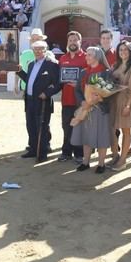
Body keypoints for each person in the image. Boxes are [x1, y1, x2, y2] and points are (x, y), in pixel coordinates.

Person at [15, 40, 61, 162]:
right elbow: (29, 80)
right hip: (29, 100)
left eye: (41, 49)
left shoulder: (52, 65)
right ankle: (33, 149)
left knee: (42, 127)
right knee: (30, 125)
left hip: (43, 101)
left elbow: (58, 84)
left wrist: (47, 93)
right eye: (36, 49)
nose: (38, 51)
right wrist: (19, 71)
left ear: (46, 50)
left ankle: (42, 153)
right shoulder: (30, 64)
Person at [71, 47, 113, 174]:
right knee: (86, 136)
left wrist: (99, 98)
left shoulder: (106, 73)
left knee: (101, 137)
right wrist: (83, 102)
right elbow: (77, 90)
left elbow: (110, 92)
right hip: (85, 109)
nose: (86, 57)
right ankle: (86, 162)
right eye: (87, 54)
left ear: (97, 57)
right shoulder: (84, 72)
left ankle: (101, 164)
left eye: (89, 55)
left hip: (100, 110)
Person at [57, 31, 87, 163]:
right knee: (66, 126)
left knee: (80, 126)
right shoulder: (63, 58)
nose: (73, 42)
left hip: (81, 100)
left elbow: (91, 77)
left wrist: (79, 84)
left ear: (80, 42)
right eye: (70, 40)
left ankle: (79, 153)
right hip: (66, 100)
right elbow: (59, 78)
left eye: (75, 40)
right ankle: (66, 152)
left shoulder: (87, 57)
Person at [110, 40, 131, 171]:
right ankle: (116, 156)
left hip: (126, 102)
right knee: (114, 130)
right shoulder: (115, 65)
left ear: (130, 52)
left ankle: (123, 160)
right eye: (121, 50)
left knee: (126, 131)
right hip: (114, 101)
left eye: (125, 50)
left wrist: (128, 106)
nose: (123, 52)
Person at [15, 28, 54, 94]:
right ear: (30, 41)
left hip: (43, 90)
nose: (35, 41)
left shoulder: (49, 54)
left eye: (37, 39)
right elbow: (18, 70)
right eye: (33, 39)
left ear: (42, 40)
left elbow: (53, 72)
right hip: (26, 88)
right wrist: (16, 84)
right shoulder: (24, 54)